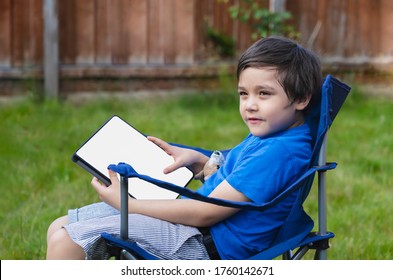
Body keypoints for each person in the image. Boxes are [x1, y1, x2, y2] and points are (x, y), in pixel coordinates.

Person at [46, 36, 322, 260]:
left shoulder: (279, 151)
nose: (250, 104)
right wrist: (200, 163)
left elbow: (207, 211)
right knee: (59, 226)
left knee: (67, 240)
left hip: (203, 244)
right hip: (194, 227)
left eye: (264, 93)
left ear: (300, 98)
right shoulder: (274, 134)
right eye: (243, 93)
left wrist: (128, 206)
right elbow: (235, 181)